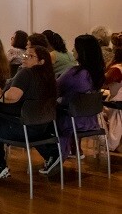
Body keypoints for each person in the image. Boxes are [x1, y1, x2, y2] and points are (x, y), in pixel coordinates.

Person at [0, 45, 58, 184]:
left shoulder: (26, 73)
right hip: (42, 129)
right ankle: (0, 166)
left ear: (41, 62)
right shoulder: (49, 80)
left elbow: (12, 97)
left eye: (30, 56)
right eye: (25, 55)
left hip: (22, 128)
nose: (25, 58)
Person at [35, 34, 106, 174]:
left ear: (82, 52)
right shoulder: (97, 74)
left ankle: (53, 155)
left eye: (75, 48)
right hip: (91, 121)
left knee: (38, 123)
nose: (72, 51)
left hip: (70, 121)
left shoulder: (75, 73)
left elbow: (54, 90)